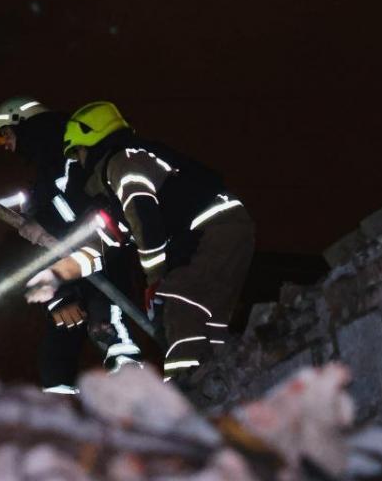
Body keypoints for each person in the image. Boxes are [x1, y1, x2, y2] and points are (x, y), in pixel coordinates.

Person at [24, 101, 254, 385]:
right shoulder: (117, 184)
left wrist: (156, 279)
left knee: (179, 301)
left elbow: (143, 217)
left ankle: (189, 387)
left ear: (91, 139)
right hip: (219, 231)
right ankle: (223, 383)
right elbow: (101, 245)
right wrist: (57, 275)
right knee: (206, 320)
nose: (79, 161)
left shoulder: (123, 162)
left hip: (212, 228)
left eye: (79, 151)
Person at [0, 96, 141, 394]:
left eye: (2, 135)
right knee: (62, 345)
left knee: (107, 327)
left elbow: (84, 211)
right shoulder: (47, 169)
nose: (3, 145)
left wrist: (45, 222)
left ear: (20, 123)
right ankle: (61, 412)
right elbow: (53, 235)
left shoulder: (69, 150)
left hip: (106, 257)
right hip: (81, 267)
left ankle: (137, 395)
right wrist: (62, 294)